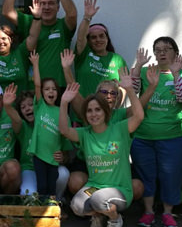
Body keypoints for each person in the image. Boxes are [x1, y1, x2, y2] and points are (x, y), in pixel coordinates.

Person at [60, 79, 144, 227]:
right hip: (95, 187)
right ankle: (99, 215)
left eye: (98, 110)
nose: (94, 114)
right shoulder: (85, 133)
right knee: (76, 206)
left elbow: (139, 116)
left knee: (99, 199)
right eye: (89, 111)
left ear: (105, 111)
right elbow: (64, 130)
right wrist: (64, 102)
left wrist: (130, 90)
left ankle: (115, 219)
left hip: (119, 188)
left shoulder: (120, 128)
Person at [61, 50, 145, 201]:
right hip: (90, 168)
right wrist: (67, 69)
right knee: (75, 183)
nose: (108, 95)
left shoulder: (121, 117)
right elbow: (74, 93)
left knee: (137, 187)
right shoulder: (90, 113)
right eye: (104, 92)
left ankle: (111, 207)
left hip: (115, 169)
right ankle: (96, 205)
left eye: (113, 93)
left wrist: (146, 86)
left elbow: (139, 111)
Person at [131, 38, 182, 227]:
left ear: (175, 52)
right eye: (157, 50)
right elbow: (132, 91)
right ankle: (148, 212)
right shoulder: (148, 73)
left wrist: (175, 74)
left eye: (166, 49)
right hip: (143, 137)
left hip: (173, 137)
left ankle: (167, 213)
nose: (162, 53)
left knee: (171, 176)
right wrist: (138, 66)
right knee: (146, 175)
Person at [2, 0, 78, 88]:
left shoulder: (63, 26)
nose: (47, 7)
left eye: (51, 3)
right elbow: (7, 12)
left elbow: (72, 14)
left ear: (58, 8)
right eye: (43, 3)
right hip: (34, 87)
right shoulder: (30, 22)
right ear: (37, 5)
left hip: (59, 87)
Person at [27, 51, 67, 197]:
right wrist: (35, 65)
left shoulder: (62, 111)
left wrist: (63, 155)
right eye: (47, 89)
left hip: (53, 157)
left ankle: (52, 212)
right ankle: (41, 212)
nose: (51, 91)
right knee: (42, 186)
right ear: (42, 93)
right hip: (39, 154)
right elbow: (37, 85)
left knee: (51, 186)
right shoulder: (40, 106)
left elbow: (65, 138)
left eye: (54, 89)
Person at [16, 91, 70, 197]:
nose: (27, 109)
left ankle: (56, 201)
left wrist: (62, 157)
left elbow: (67, 155)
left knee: (64, 173)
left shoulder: (53, 123)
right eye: (23, 107)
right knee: (28, 194)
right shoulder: (22, 126)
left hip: (50, 168)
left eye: (31, 105)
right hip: (30, 169)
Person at [73, 0, 127, 98]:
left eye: (101, 36)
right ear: (88, 41)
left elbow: (124, 87)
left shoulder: (117, 60)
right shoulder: (84, 55)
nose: (98, 39)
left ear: (107, 38)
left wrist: (116, 109)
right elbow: (80, 38)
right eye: (93, 37)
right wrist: (87, 18)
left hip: (108, 111)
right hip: (83, 109)